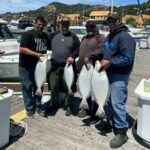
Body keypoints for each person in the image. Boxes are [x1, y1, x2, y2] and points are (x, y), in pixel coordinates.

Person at [100, 13, 136, 148]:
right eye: (108, 21)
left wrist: (110, 62)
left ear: (119, 21)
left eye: (113, 21)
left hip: (119, 75)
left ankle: (121, 132)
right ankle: (111, 122)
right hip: (108, 73)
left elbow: (127, 58)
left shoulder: (124, 36)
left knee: (117, 102)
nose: (110, 23)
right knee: (108, 100)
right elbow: (107, 53)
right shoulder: (110, 35)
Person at [19, 16, 50, 118]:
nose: (40, 26)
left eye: (42, 25)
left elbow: (49, 48)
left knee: (39, 86)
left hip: (40, 66)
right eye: (39, 24)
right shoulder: (28, 34)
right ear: (35, 24)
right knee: (27, 87)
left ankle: (38, 106)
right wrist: (37, 55)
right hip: (26, 66)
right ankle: (29, 108)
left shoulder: (45, 36)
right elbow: (22, 49)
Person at [48, 18, 80, 116]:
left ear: (69, 25)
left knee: (69, 87)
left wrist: (72, 56)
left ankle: (69, 106)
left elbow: (78, 49)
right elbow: (45, 46)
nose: (64, 27)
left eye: (66, 25)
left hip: (69, 67)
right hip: (55, 67)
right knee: (53, 86)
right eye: (63, 25)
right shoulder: (53, 35)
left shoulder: (73, 37)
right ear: (60, 25)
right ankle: (54, 104)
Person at [77, 20, 105, 124]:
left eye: (92, 27)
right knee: (85, 89)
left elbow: (101, 49)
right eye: (87, 27)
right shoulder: (84, 38)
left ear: (95, 27)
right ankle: (86, 109)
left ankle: (95, 115)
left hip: (95, 68)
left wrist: (89, 55)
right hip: (83, 69)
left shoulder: (100, 37)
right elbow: (81, 52)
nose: (89, 28)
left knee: (95, 92)